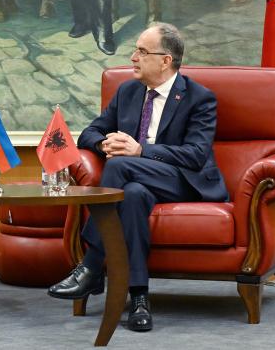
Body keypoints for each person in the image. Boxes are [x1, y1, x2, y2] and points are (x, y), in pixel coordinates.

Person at [48, 23, 228, 332]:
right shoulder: (128, 91)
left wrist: (140, 150)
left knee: (120, 167)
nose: (133, 57)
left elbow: (196, 155)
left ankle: (91, 264)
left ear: (165, 60)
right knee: (131, 194)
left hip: (183, 181)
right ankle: (139, 298)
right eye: (135, 50)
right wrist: (104, 144)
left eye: (142, 52)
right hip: (139, 182)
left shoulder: (199, 98)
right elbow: (90, 132)